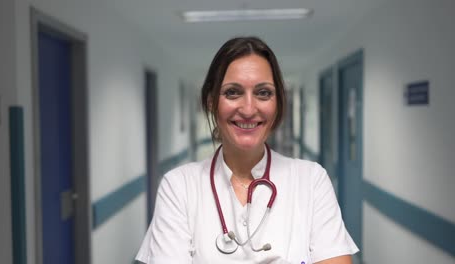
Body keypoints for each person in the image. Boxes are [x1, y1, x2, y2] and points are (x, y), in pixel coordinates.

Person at [135, 36, 359, 264]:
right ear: (212, 101)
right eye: (233, 92)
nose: (249, 109)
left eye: (263, 93)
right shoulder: (178, 187)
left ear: (278, 102)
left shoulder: (312, 181)